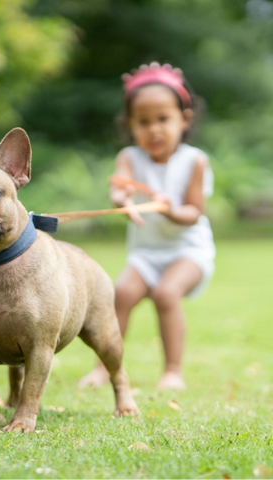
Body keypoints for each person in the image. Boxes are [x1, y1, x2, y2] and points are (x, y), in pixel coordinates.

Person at [79, 62, 215, 390]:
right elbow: (120, 187)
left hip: (188, 250)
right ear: (130, 125)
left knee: (167, 294)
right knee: (121, 293)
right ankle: (103, 368)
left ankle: (172, 371)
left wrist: (169, 210)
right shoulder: (130, 156)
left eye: (163, 119)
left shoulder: (194, 160)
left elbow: (194, 212)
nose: (154, 130)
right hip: (147, 253)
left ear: (184, 119)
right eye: (143, 122)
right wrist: (122, 200)